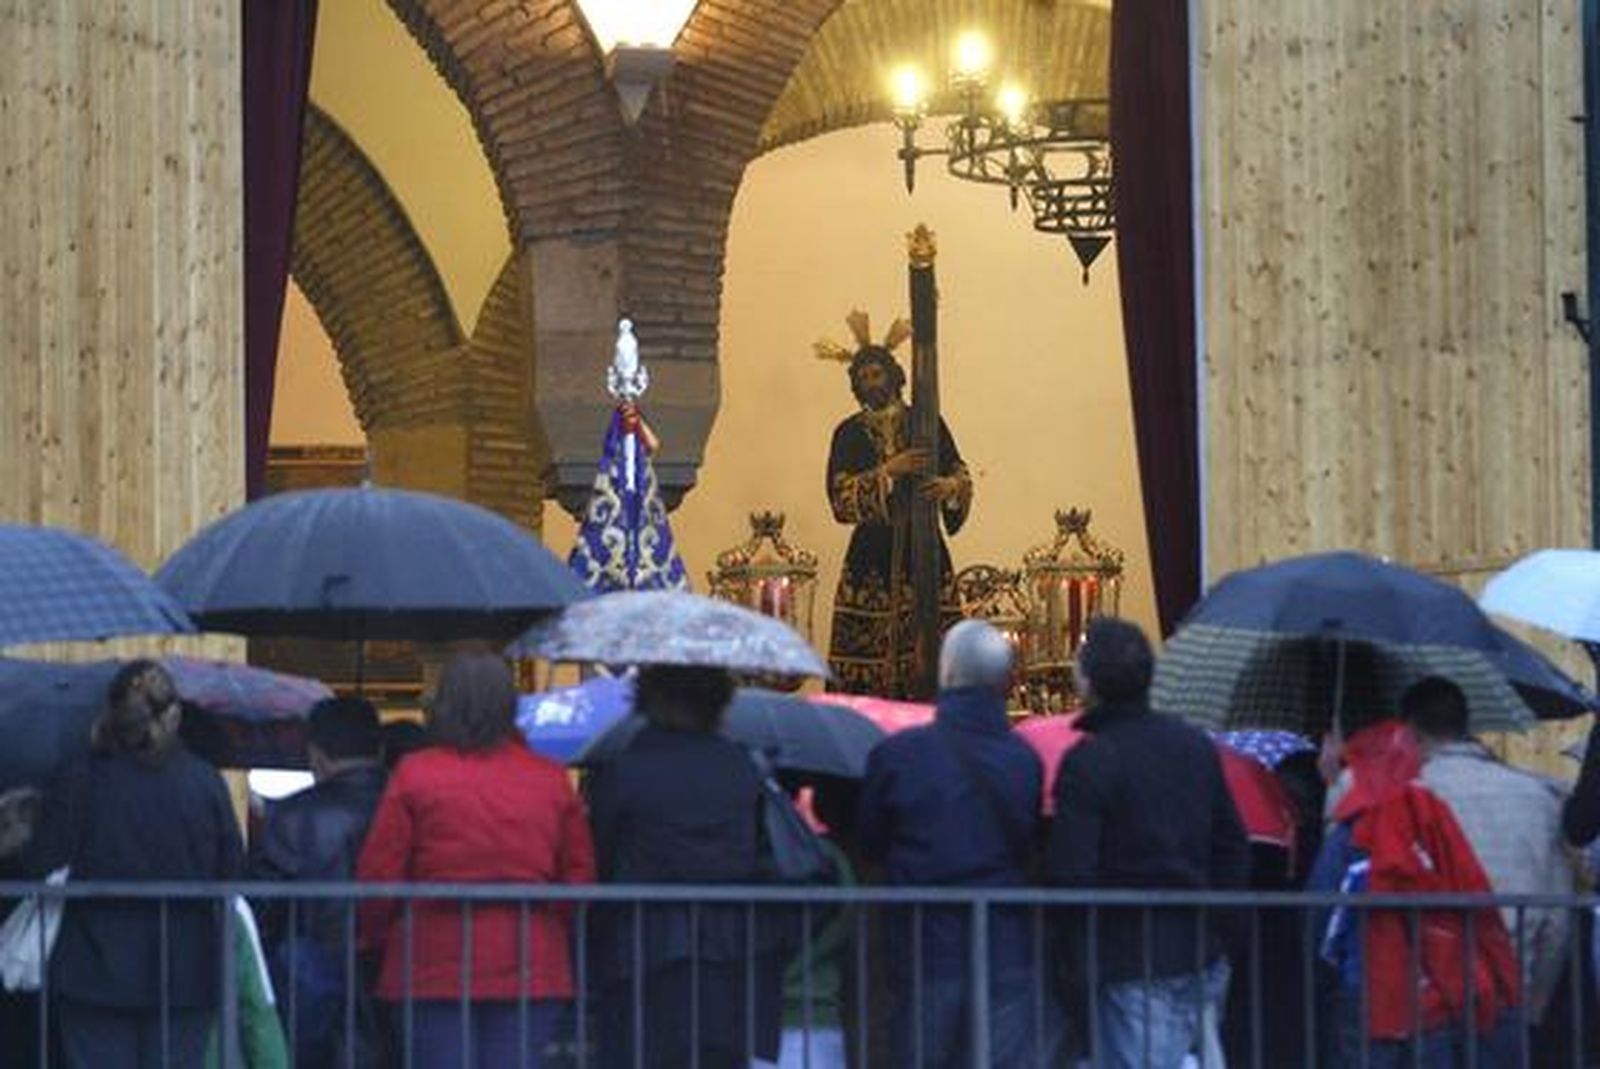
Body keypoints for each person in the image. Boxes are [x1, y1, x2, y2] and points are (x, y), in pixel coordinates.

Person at [356, 652, 595, 1069]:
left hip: (430, 955)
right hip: (530, 956)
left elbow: (381, 872)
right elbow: (578, 875)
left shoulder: (415, 773)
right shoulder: (548, 778)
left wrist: (374, 937)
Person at [1045, 618, 1248, 1069]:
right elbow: (1232, 844)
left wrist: (1075, 952)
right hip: (1199, 947)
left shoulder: (1092, 760)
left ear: (1089, 680)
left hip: (1130, 955)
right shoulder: (1193, 745)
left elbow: (1071, 872)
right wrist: (1222, 927)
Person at [21, 660, 244, 1069]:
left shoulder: (80, 778)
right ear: (174, 715)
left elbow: (44, 860)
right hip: (185, 969)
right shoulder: (204, 781)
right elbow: (232, 870)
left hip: (94, 966)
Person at [855, 620, 1053, 1067]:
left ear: (945, 674)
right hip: (1005, 943)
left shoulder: (899, 755)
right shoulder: (1024, 759)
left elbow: (870, 840)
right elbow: (1027, 841)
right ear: (1007, 681)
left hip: (926, 942)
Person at [586, 664, 791, 1068]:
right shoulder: (741, 766)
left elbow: (599, 851)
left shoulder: (626, 768)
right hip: (729, 953)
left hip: (642, 949)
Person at [1401, 678, 1574, 1030]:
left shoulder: (1402, 797)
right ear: (1465, 724)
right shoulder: (1535, 797)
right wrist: (1534, 1005)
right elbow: (1557, 915)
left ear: (1409, 730)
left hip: (1423, 991)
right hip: (1509, 983)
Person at [822, 316, 971, 697]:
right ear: (855, 384)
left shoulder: (925, 421)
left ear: (894, 375)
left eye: (878, 374)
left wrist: (950, 487)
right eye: (865, 377)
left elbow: (959, 470)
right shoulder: (848, 432)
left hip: (925, 549)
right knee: (868, 655)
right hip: (871, 556)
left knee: (935, 653)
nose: (872, 383)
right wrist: (889, 470)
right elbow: (840, 497)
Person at [248, 696, 388, 1067]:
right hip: (392, 975)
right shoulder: (406, 807)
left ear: (315, 753)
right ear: (380, 748)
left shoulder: (289, 816)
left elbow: (261, 910)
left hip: (307, 981)